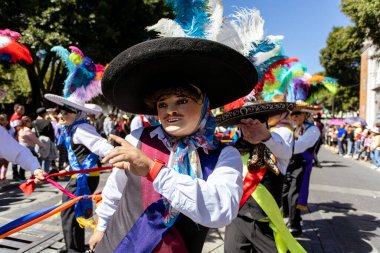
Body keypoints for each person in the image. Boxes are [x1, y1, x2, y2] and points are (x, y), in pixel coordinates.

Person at [89, 37, 257, 252]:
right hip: (119, 244)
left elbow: (221, 211)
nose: (170, 111)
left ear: (205, 105)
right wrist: (101, 228)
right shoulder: (138, 139)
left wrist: (154, 170)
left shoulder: (224, 155)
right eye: (163, 104)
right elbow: (115, 190)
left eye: (182, 101)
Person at [45, 45, 114, 253]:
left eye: (66, 111)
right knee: (71, 211)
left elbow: (100, 145)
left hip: (85, 176)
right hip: (81, 174)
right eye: (60, 111)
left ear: (76, 112)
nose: (61, 115)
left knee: (69, 211)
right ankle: (74, 247)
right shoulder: (74, 128)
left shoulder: (81, 128)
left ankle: (74, 250)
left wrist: (116, 156)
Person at [221, 97, 301, 253]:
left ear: (265, 121)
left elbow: (283, 149)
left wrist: (264, 137)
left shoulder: (278, 146)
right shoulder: (232, 150)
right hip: (237, 219)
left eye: (256, 121)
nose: (250, 127)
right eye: (245, 123)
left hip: (267, 223)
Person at [283, 109, 321, 236]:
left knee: (295, 195)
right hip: (290, 161)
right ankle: (287, 217)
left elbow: (300, 146)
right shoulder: (295, 127)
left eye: (296, 115)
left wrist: (281, 147)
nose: (293, 117)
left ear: (305, 115)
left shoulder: (313, 130)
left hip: (301, 163)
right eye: (292, 115)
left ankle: (294, 225)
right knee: (284, 191)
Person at [33, 107, 56, 172]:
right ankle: (46, 174)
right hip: (47, 142)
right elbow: (51, 134)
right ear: (44, 113)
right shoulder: (47, 122)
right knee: (47, 159)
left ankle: (39, 174)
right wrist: (53, 143)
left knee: (39, 159)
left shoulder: (34, 122)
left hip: (37, 141)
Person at [9, 103, 25, 180]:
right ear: (16, 109)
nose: (23, 110)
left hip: (15, 140)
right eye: (21, 109)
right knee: (15, 157)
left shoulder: (18, 117)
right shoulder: (16, 118)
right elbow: (16, 130)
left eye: (23, 109)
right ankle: (15, 174)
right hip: (15, 140)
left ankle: (16, 174)